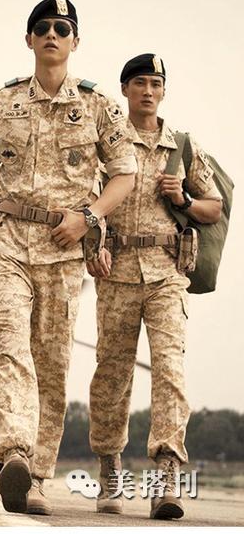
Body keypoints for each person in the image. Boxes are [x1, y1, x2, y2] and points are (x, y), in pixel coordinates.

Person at [0, 0, 138, 514]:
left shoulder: (98, 106)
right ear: (29, 39)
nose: (52, 35)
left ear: (75, 41)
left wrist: (89, 217)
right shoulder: (0, 102)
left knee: (51, 363)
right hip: (7, 242)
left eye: (61, 28)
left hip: (64, 249)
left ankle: (35, 477)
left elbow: (125, 174)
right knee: (13, 346)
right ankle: (15, 452)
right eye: (43, 28)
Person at [87, 53, 222, 520]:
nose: (148, 91)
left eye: (155, 84)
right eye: (140, 83)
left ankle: (167, 475)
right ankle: (110, 467)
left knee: (169, 371)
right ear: (125, 90)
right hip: (116, 272)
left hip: (167, 273)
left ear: (163, 91)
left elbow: (213, 207)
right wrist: (93, 245)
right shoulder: (108, 143)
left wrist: (183, 198)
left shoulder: (181, 145)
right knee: (112, 374)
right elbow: (88, 202)